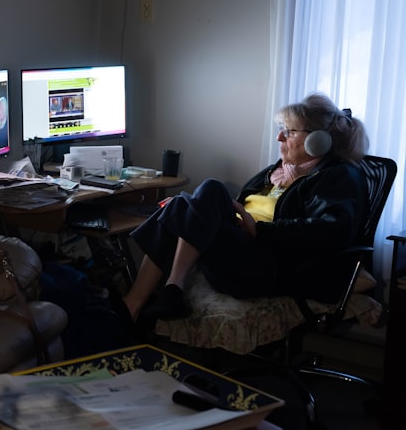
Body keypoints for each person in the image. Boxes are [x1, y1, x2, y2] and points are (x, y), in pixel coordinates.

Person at [119, 92, 370, 326]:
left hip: (269, 266)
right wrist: (192, 209)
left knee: (210, 188)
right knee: (184, 204)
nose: (279, 137)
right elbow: (234, 207)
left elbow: (331, 231)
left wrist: (261, 230)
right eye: (280, 130)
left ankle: (148, 298)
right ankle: (146, 300)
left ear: (319, 141)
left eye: (288, 131)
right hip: (242, 252)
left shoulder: (337, 177)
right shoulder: (278, 172)